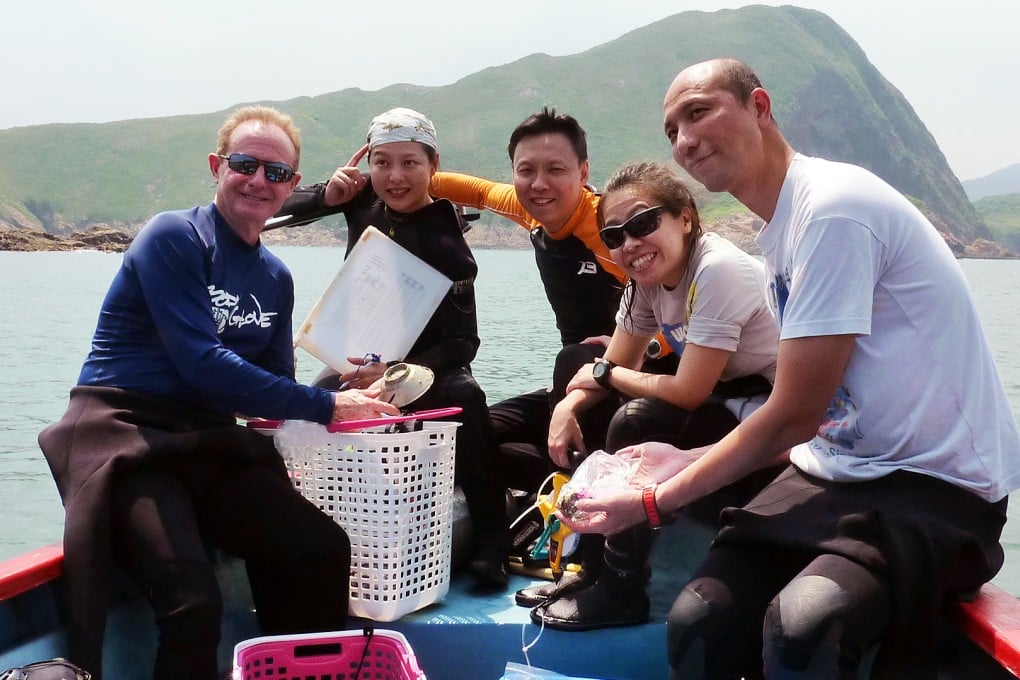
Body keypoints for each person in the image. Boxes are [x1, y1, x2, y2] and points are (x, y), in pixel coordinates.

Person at [562, 58, 1020, 678]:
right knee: (700, 620)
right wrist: (687, 458)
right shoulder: (779, 233)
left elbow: (794, 413)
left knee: (805, 628)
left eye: (699, 112)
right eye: (672, 128)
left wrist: (652, 500)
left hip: (934, 484)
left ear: (759, 107)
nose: (685, 139)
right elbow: (819, 423)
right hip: (835, 470)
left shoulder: (832, 210)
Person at [37, 106, 400, 680]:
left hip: (201, 441)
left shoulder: (275, 277)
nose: (259, 181)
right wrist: (328, 406)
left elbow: (273, 390)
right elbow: (203, 364)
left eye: (277, 173)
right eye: (245, 164)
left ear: (291, 187)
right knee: (192, 602)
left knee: (318, 546)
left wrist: (339, 385)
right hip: (123, 434)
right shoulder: (175, 236)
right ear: (217, 166)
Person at [521, 160, 782, 631]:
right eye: (615, 236)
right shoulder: (646, 281)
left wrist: (604, 375)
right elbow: (614, 363)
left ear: (684, 216)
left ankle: (623, 590)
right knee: (601, 393)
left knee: (634, 419)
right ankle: (595, 569)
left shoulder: (717, 270)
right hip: (731, 405)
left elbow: (684, 390)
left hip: (777, 425)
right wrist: (568, 405)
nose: (630, 244)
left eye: (643, 223)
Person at [271, 107, 511, 589]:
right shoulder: (358, 203)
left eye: (409, 163)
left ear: (433, 164)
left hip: (422, 368)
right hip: (354, 362)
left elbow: (465, 343)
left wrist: (394, 373)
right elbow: (271, 205)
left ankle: (492, 543)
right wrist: (326, 193)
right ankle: (308, 535)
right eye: (382, 162)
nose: (395, 177)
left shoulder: (448, 241)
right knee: (303, 409)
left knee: (469, 397)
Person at [429, 108, 677, 492]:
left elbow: (679, 301)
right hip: (572, 382)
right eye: (526, 171)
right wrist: (373, 182)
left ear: (583, 173)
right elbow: (469, 189)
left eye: (556, 170)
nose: (539, 184)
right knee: (469, 437)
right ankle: (554, 481)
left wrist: (649, 347)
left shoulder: (611, 231)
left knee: (575, 355)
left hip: (631, 376)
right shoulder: (532, 212)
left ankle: (582, 487)